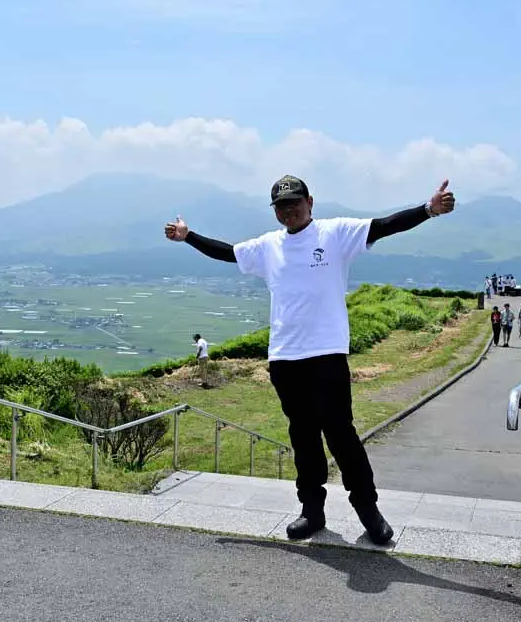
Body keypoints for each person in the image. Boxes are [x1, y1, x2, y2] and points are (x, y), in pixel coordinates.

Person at [163, 174, 456, 545]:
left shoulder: (335, 234)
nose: (289, 211)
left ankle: (370, 513)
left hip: (327, 357)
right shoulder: (269, 246)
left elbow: (385, 226)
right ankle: (312, 512)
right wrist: (188, 236)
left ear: (310, 202)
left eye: (294, 203)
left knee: (342, 436)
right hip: (285, 359)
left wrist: (428, 210)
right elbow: (227, 252)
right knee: (303, 438)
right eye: (281, 206)